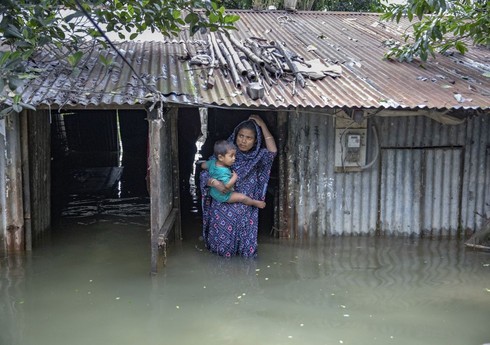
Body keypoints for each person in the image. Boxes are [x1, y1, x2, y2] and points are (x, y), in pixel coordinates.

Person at [200, 115, 277, 258]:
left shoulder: (258, 157)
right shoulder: (225, 154)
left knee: (246, 254)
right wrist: (214, 182)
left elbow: (272, 151)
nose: (243, 140)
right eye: (241, 136)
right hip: (222, 208)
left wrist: (262, 125)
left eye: (249, 138)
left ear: (255, 141)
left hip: (246, 211)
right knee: (220, 254)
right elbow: (205, 172)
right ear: (235, 136)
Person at [201, 140, 266, 209]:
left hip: (212, 192)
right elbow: (227, 186)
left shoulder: (212, 162)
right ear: (220, 157)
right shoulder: (224, 171)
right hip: (223, 196)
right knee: (242, 197)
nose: (234, 158)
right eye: (231, 156)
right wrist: (235, 177)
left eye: (235, 155)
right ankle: (255, 203)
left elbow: (203, 165)